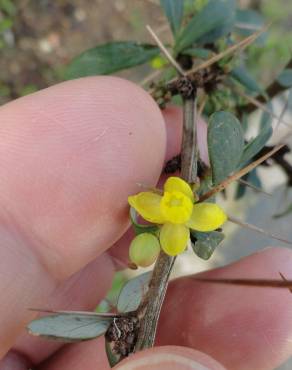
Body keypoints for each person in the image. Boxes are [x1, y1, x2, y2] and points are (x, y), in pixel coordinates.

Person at [0, 76, 291, 370]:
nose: (175, 197)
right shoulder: (158, 217)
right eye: (173, 197)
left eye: (179, 197)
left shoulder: (186, 226)